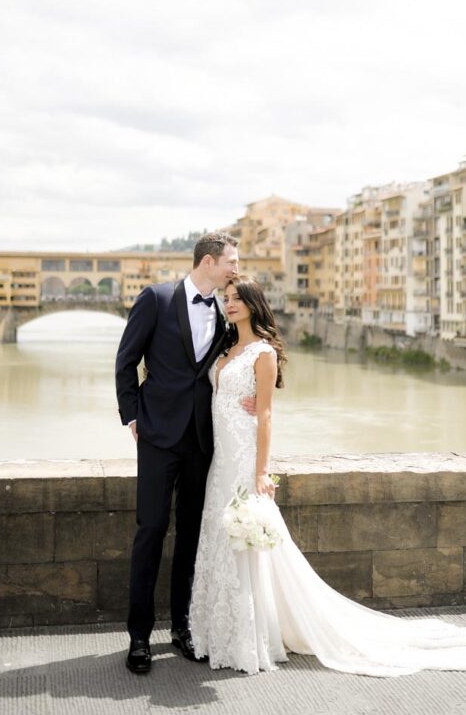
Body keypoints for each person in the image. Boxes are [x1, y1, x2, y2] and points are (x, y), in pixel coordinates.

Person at [189, 276, 466, 677]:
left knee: (249, 547)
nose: (229, 304)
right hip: (220, 460)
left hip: (245, 457)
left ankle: (249, 637)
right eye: (225, 299)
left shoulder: (262, 353)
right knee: (220, 540)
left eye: (236, 299)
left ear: (253, 303)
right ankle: (219, 633)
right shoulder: (226, 349)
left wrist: (262, 471)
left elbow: (264, 414)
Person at [115, 231, 256, 675]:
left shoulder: (226, 312)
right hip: (157, 437)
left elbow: (251, 350)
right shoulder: (155, 299)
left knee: (192, 537)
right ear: (210, 261)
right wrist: (133, 418)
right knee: (151, 530)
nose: (236, 267)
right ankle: (139, 637)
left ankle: (183, 629)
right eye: (232, 260)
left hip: (201, 439)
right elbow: (125, 360)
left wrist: (252, 394)